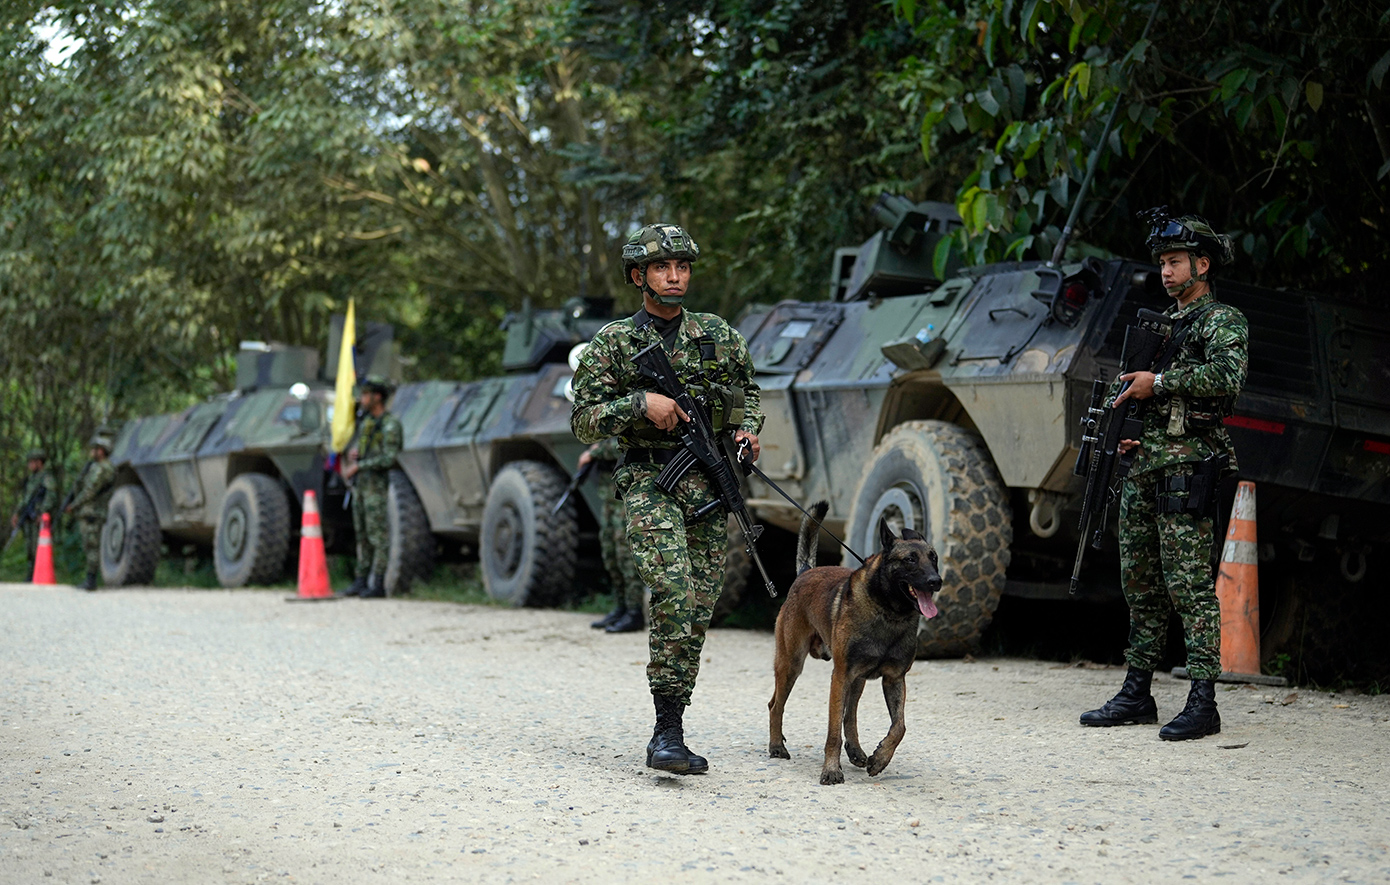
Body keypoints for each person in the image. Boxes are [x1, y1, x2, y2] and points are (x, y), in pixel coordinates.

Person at [571, 223, 763, 774]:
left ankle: (674, 717)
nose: (675, 276)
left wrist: (748, 430)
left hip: (709, 484)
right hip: (650, 482)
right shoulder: (613, 343)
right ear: (639, 277)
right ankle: (666, 734)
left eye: (682, 267)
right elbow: (582, 420)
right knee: (675, 590)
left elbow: (749, 391)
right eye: (662, 268)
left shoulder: (717, 335)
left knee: (699, 605)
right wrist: (639, 405)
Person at [1080, 209, 1248, 741]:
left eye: (1176, 262)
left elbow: (1226, 375)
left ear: (1202, 264)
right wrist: (1129, 428)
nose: (1167, 272)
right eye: (1162, 264)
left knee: (1190, 587)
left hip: (1188, 467)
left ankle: (1203, 700)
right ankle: (1137, 692)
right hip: (1145, 465)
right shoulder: (1161, 325)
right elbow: (1137, 391)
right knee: (1141, 585)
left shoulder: (1223, 320)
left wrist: (1161, 381)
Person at [340, 375, 402, 599]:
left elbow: (389, 458)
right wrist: (356, 455)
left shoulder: (390, 425)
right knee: (362, 535)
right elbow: (365, 450)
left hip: (376, 487)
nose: (362, 399)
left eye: (366, 395)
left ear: (377, 397)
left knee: (378, 536)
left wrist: (361, 466)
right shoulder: (367, 424)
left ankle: (378, 583)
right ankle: (360, 580)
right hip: (362, 487)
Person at [583, 437, 647, 634]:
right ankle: (622, 607)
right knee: (610, 554)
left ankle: (635, 612)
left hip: (627, 496)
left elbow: (623, 443)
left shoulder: (630, 408)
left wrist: (594, 452)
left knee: (625, 555)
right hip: (610, 498)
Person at [64, 430, 118, 591]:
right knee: (89, 546)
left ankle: (91, 580)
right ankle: (90, 578)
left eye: (94, 449)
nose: (91, 452)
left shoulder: (102, 469)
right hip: (91, 512)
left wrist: (73, 505)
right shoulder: (97, 467)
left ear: (101, 450)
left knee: (92, 546)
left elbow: (90, 491)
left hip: (93, 513)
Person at [10, 449, 57, 580]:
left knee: (38, 547)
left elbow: (51, 497)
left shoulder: (46, 478)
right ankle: (30, 573)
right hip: (29, 517)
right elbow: (25, 498)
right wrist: (17, 513)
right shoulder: (31, 479)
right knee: (29, 547)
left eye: (32, 462)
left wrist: (42, 512)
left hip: (38, 517)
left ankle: (39, 574)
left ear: (39, 463)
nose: (29, 465)